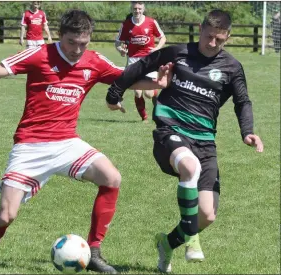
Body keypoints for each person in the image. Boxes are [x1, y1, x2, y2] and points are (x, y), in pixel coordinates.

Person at [0, 9, 172, 274]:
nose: (77, 49)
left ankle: (95, 252)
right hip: (29, 145)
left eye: (83, 44)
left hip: (66, 143)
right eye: (71, 42)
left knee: (112, 178)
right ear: (61, 35)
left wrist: (159, 82)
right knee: (6, 215)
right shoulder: (39, 54)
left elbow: (127, 78)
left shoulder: (93, 61)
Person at [106, 9, 264, 273]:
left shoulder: (232, 67)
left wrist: (247, 131)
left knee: (207, 214)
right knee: (189, 166)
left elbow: (242, 101)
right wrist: (114, 93)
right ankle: (192, 240)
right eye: (208, 36)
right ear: (200, 29)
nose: (212, 43)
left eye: (219, 39)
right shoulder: (177, 53)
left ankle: (167, 244)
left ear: (227, 37)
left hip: (205, 141)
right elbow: (142, 65)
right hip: (170, 132)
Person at [115, 1, 166, 121]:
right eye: (135, 8)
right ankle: (144, 118)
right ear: (131, 9)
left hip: (149, 60)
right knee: (137, 93)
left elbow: (163, 37)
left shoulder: (151, 22)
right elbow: (117, 42)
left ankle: (158, 110)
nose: (137, 11)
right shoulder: (126, 24)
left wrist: (157, 48)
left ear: (143, 8)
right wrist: (121, 50)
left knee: (148, 94)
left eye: (139, 8)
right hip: (133, 60)